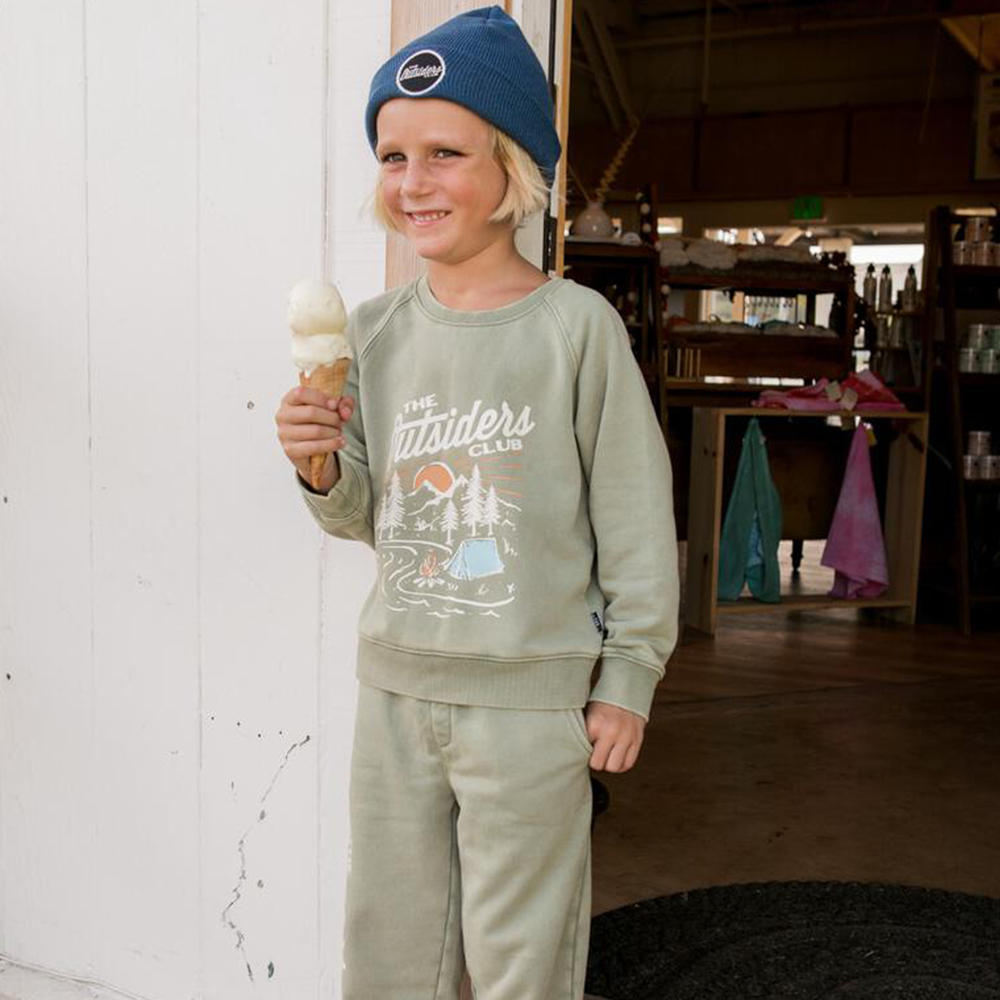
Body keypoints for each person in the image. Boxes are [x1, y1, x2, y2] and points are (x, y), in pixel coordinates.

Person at [274, 7, 679, 998]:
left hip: (531, 702)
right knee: (388, 941)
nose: (412, 181)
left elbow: (634, 516)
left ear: (515, 165)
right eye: (392, 157)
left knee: (521, 951)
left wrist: (628, 673)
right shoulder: (373, 333)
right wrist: (319, 466)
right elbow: (365, 514)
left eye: (445, 153)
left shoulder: (577, 329)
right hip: (397, 690)